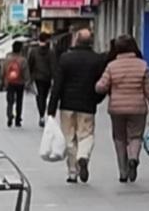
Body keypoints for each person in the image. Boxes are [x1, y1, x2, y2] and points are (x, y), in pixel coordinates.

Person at [96, 35, 149, 183]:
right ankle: (133, 158)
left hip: (117, 109)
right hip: (138, 108)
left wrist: (99, 88)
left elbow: (101, 86)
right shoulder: (143, 65)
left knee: (119, 138)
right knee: (135, 136)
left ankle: (123, 172)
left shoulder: (112, 66)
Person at [47, 28, 105, 184]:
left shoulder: (66, 58)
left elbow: (57, 84)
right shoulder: (97, 59)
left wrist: (51, 108)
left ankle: (72, 172)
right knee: (86, 135)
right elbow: (101, 83)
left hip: (67, 104)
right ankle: (83, 157)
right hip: (87, 104)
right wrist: (97, 99)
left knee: (69, 137)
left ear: (76, 40)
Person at [28, 33, 57, 127]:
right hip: (47, 77)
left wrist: (30, 77)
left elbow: (30, 64)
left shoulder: (33, 51)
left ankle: (41, 115)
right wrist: (54, 77)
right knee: (44, 95)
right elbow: (53, 65)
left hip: (37, 77)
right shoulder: (51, 52)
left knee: (40, 96)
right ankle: (44, 111)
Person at [2, 41, 31, 128]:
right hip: (20, 83)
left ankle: (10, 115)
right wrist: (27, 81)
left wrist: (3, 79)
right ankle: (18, 119)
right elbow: (26, 72)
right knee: (19, 101)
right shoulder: (23, 60)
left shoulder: (7, 58)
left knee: (10, 100)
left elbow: (3, 70)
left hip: (10, 82)